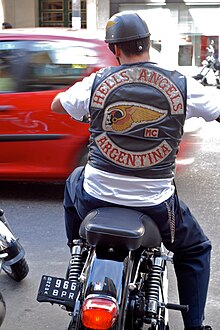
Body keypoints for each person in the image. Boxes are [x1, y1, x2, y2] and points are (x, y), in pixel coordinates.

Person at [51, 11, 220, 330]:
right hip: (155, 208)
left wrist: (79, 108)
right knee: (196, 249)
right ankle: (195, 325)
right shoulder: (181, 83)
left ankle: (79, 248)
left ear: (115, 50)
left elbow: (58, 105)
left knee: (75, 179)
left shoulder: (98, 82)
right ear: (148, 44)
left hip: (95, 199)